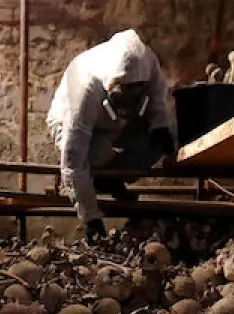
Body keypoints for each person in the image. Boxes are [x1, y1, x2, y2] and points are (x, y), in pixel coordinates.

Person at [46, 30, 177, 240]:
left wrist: (161, 130)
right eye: (122, 100)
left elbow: (158, 99)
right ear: (111, 88)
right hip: (71, 120)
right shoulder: (86, 89)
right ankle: (98, 178)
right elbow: (73, 159)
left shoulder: (149, 64)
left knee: (152, 144)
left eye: (133, 99)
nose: (126, 109)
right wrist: (90, 218)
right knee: (93, 156)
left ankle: (108, 179)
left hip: (111, 123)